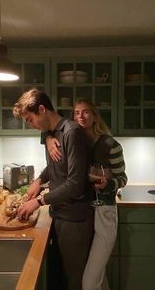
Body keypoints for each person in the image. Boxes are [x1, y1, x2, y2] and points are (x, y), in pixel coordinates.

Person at [13, 89, 94, 290]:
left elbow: (75, 184)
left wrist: (39, 200)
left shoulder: (71, 132)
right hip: (59, 213)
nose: (31, 125)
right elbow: (55, 166)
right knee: (59, 276)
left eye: (30, 119)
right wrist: (39, 180)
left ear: (42, 109)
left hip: (74, 217)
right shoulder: (52, 133)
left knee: (74, 278)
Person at [46, 99, 128, 290]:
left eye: (85, 112)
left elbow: (123, 179)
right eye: (76, 113)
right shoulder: (76, 140)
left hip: (104, 214)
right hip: (86, 215)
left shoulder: (110, 145)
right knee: (98, 276)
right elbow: (50, 128)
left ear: (94, 116)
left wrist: (108, 184)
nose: (80, 117)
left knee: (90, 282)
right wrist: (48, 138)